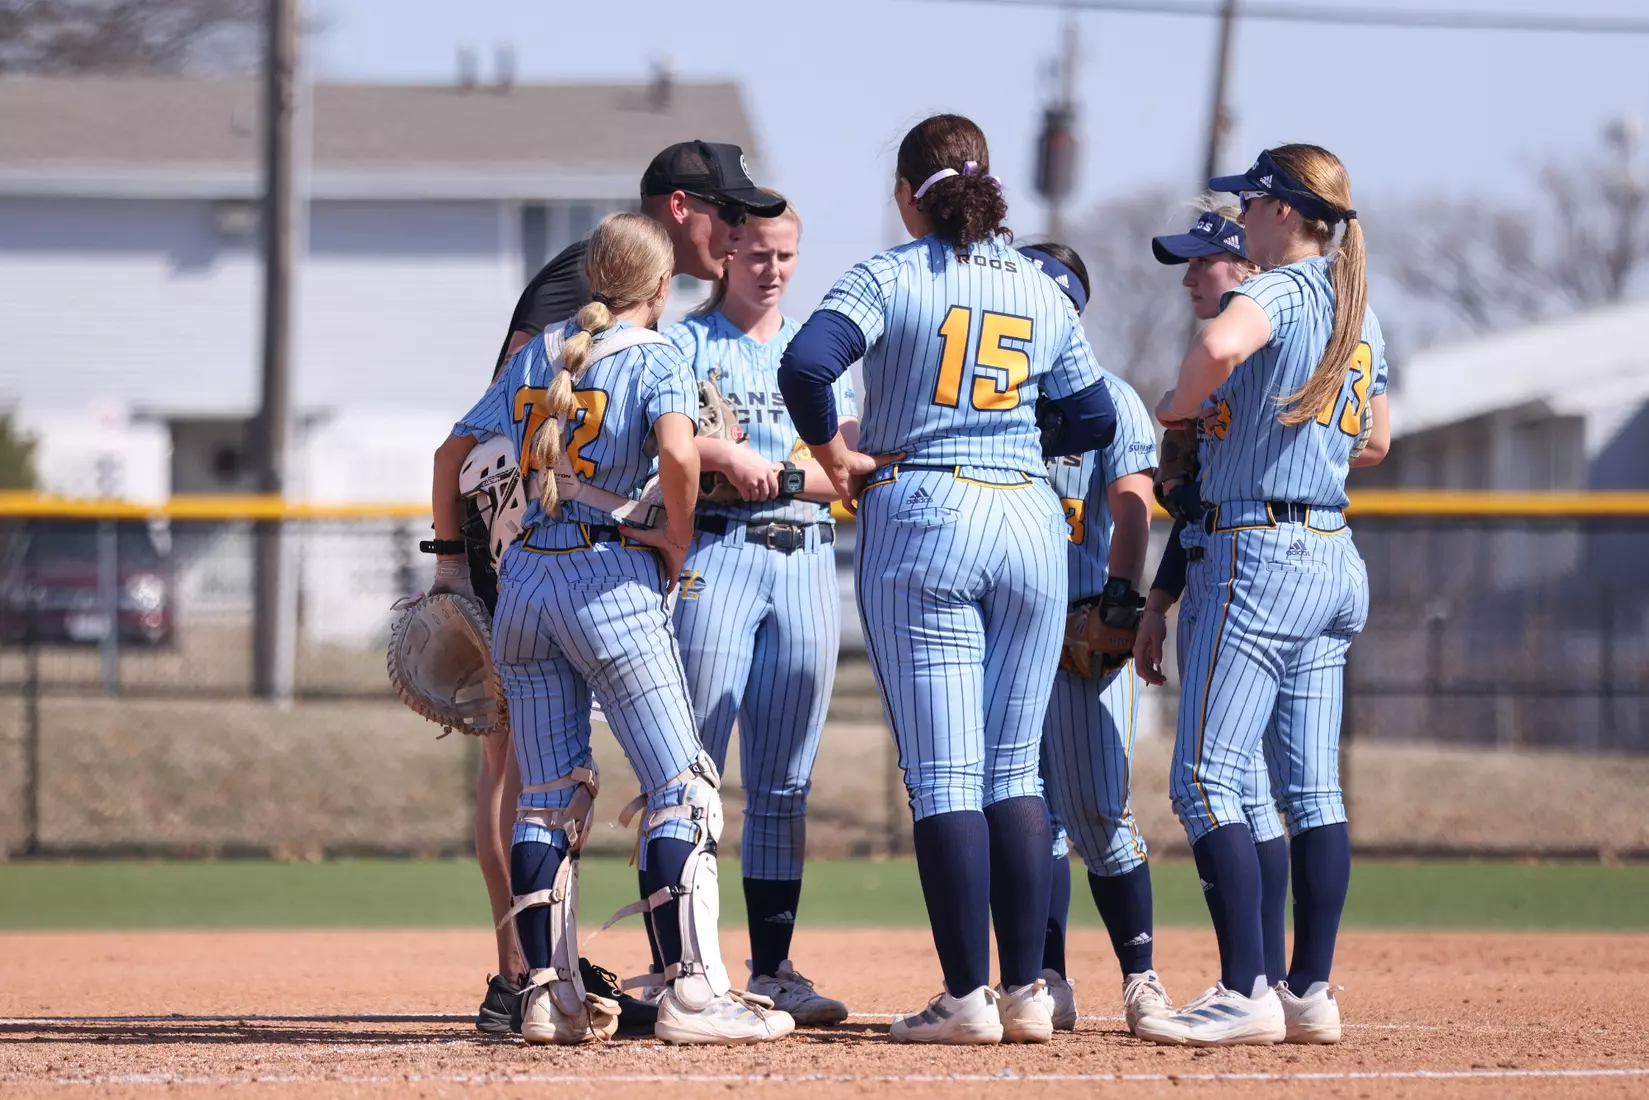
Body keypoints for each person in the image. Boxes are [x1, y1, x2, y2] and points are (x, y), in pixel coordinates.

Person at [778, 114, 1119, 1045]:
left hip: (925, 506)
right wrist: (1020, 440)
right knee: (1014, 770)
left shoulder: (891, 274)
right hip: (1030, 520)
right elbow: (1092, 417)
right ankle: (1027, 992)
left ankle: (965, 997)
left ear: (906, 194)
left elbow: (806, 365)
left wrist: (834, 458)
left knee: (943, 776)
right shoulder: (1037, 285)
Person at [433, 212, 794, 1046]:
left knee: (545, 797)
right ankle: (692, 995)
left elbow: (450, 456)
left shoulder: (541, 350)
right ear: (660, 286)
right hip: (608, 578)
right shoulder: (657, 356)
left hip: (525, 584)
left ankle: (546, 999)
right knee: (681, 787)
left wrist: (451, 568)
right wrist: (675, 538)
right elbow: (678, 455)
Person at [1133, 145, 1390, 1048]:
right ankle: (1307, 990)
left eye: (1249, 202)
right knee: (1310, 790)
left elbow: (1215, 346)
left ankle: (1245, 987)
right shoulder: (1357, 307)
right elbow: (1376, 441)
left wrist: (1180, 405)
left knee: (1206, 780)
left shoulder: (1280, 288)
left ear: (1283, 210)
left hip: (1261, 549)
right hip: (1331, 550)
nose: (1241, 215)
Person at [663, 202, 857, 1025]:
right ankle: (682, 963)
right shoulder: (685, 342)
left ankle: (772, 967)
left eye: (785, 254)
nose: (771, 269)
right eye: (756, 254)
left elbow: (844, 468)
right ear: (726, 253)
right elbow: (665, 446)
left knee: (783, 782)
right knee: (691, 774)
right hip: (717, 554)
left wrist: (773, 472)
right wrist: (720, 453)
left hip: (805, 560)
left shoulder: (816, 350)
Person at [1129, 206, 1295, 1019]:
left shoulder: (1256, 353)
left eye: (1203, 262)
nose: (1190, 278)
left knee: (1211, 782)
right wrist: (1158, 601)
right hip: (1208, 574)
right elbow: (1189, 508)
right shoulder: (1208, 362)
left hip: (1252, 572)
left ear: (1246, 265)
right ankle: (1269, 980)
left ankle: (1251, 985)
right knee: (1247, 787)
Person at [1014, 241, 1172, 1036]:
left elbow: (1132, 503)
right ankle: (1045, 977)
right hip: (1006, 623)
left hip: (1079, 618)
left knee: (1099, 813)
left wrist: (1120, 595)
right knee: (1026, 815)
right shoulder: (995, 396)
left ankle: (1140, 978)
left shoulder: (1110, 397)